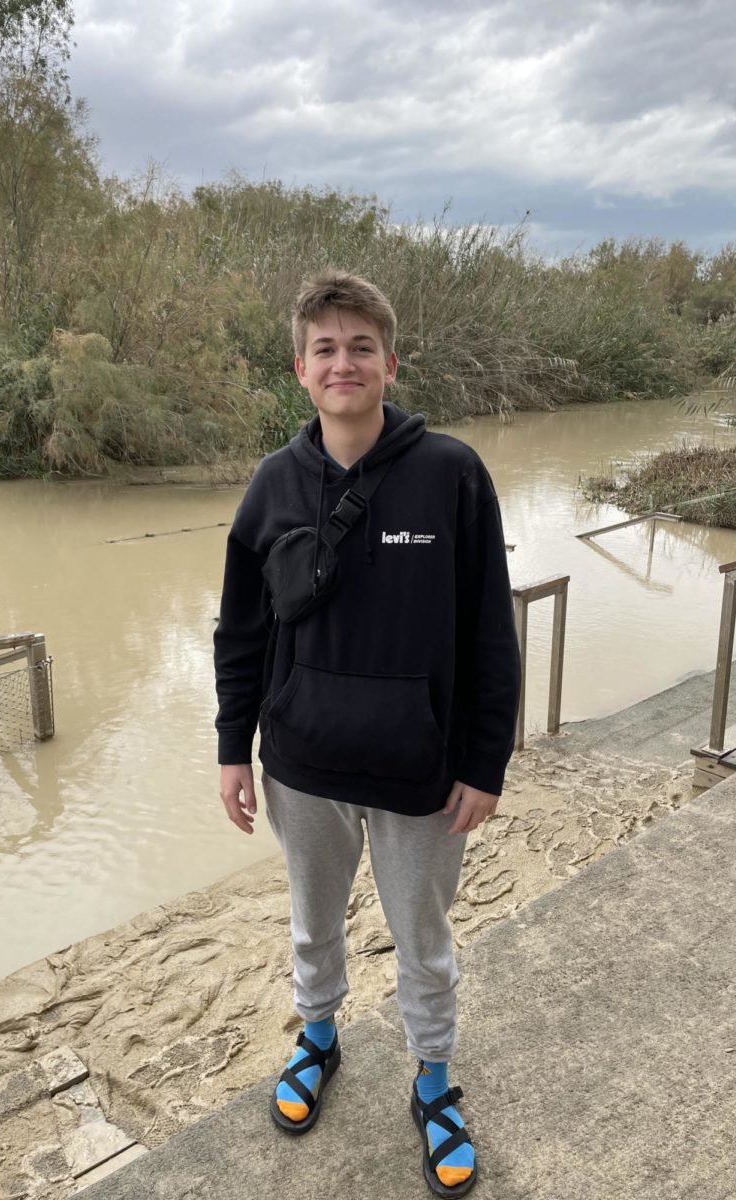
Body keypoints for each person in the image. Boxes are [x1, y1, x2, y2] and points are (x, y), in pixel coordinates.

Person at [214, 270, 520, 1198]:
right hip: (301, 764)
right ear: (299, 370)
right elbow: (241, 630)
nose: (341, 362)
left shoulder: (452, 474)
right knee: (313, 924)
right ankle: (318, 1039)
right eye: (323, 348)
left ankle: (432, 1079)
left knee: (422, 936)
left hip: (423, 771)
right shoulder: (272, 484)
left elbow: (488, 631)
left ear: (390, 361)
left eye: (359, 347)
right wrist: (234, 748)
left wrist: (483, 760)